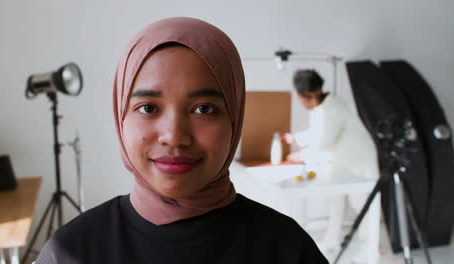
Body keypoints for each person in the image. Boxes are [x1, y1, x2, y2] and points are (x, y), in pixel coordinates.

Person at [35, 17, 327, 264]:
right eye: (148, 108)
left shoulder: (286, 250)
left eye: (204, 109)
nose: (174, 136)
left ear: (235, 118)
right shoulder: (72, 252)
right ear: (120, 116)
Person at [282, 69, 380, 252]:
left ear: (303, 95)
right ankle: (331, 243)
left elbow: (323, 142)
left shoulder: (332, 108)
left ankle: (368, 249)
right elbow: (317, 133)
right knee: (336, 202)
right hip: (344, 163)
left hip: (359, 164)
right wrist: (295, 139)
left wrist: (301, 155)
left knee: (361, 205)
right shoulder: (323, 107)